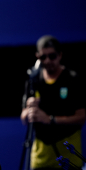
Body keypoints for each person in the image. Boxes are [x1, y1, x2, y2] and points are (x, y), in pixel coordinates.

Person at [20, 35, 86, 170]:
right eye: (43, 57)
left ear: (60, 55)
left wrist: (50, 119)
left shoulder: (72, 79)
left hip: (68, 157)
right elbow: (24, 119)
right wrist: (29, 110)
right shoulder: (33, 80)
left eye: (52, 56)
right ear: (37, 57)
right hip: (41, 157)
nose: (48, 60)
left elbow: (82, 117)